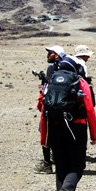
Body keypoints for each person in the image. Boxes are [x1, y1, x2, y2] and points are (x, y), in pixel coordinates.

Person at [40, 56, 96, 191]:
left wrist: (44, 137)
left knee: (61, 165)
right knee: (78, 165)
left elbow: (42, 107)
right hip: (76, 128)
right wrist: (93, 134)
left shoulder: (50, 82)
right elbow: (90, 109)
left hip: (54, 127)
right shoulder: (80, 82)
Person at [35, 45, 65, 174]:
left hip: (50, 106)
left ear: (57, 55)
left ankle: (47, 164)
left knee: (45, 133)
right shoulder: (67, 68)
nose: (48, 55)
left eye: (51, 53)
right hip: (63, 106)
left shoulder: (52, 68)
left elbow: (50, 86)